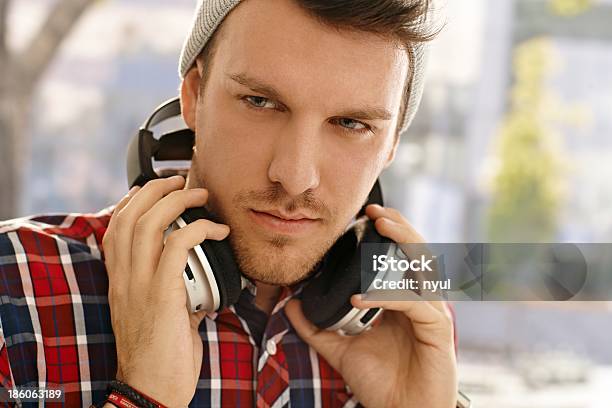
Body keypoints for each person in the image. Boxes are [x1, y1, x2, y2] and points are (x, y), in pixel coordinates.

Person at [0, 0, 460, 406]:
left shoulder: (404, 321)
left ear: (392, 143)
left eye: (352, 123)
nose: (296, 177)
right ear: (194, 95)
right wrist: (141, 398)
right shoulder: (12, 290)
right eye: (260, 101)